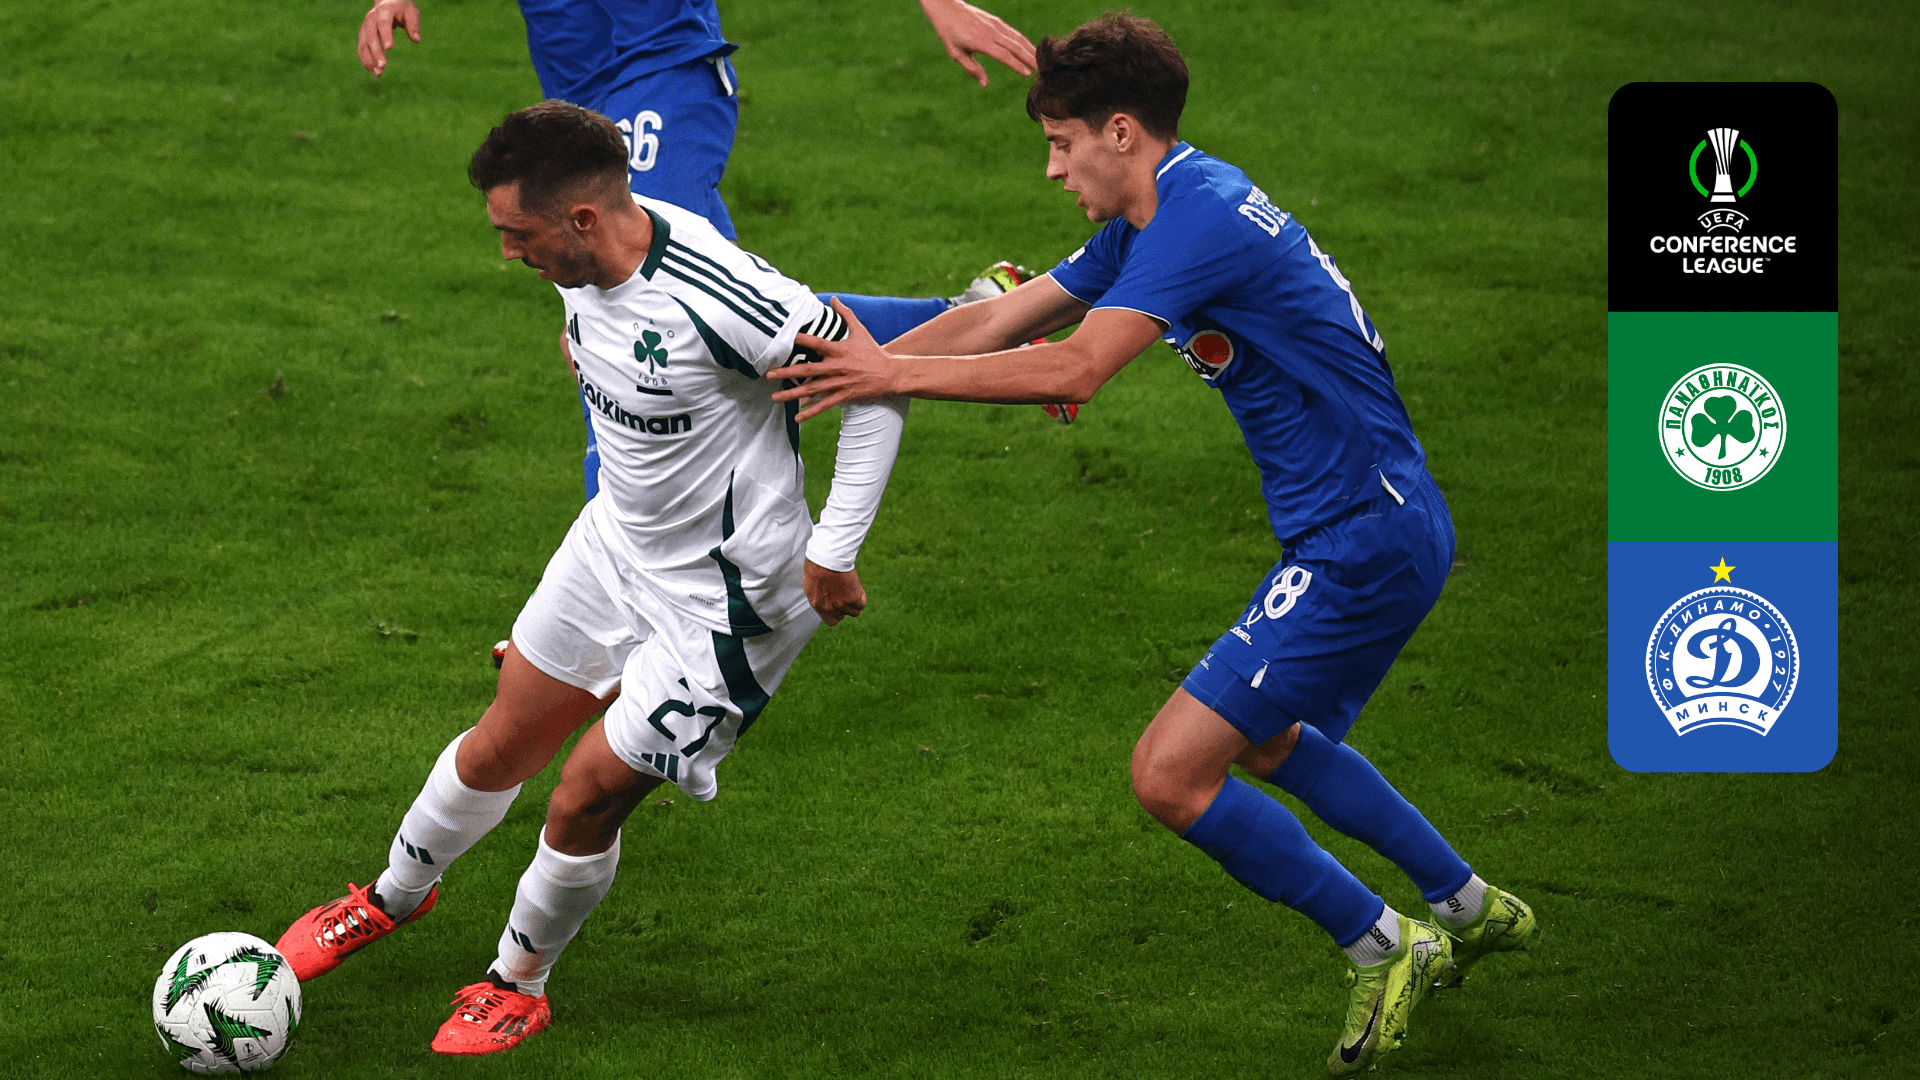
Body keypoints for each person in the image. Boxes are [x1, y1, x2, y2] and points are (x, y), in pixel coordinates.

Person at [767, 13, 1538, 1076]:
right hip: (1379, 524)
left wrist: (890, 374)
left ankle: (1385, 943)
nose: (1052, 170)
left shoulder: (1196, 220)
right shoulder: (1162, 211)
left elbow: (1074, 368)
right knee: (1262, 741)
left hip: (1362, 541)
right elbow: (995, 320)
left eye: (1060, 143)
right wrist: (798, 347)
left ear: (1120, 132)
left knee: (1169, 775)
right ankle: (1468, 902)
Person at [276, 100, 904, 1055]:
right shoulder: (582, 256)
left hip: (728, 604)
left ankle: (516, 983)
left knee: (585, 796)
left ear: (579, 219)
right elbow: (607, 339)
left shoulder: (726, 298)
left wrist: (835, 549)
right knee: (499, 743)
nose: (507, 253)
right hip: (613, 548)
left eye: (517, 234)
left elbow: (877, 386)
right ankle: (392, 897)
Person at [354, 0, 1065, 502]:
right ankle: (986, 315)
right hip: (575, 99)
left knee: (633, 319)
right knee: (723, 320)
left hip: (666, 74)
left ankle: (605, 607)